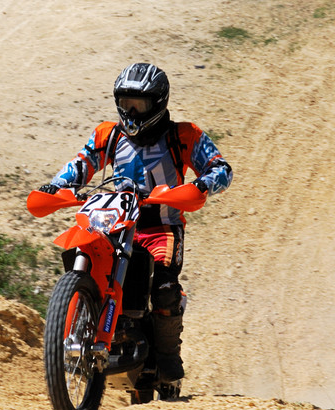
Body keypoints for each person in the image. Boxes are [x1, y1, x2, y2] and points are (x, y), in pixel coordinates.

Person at [37, 62, 233, 381]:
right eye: (126, 103)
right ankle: (84, 317)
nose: (130, 111)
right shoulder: (108, 134)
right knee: (84, 253)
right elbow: (81, 163)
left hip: (161, 227)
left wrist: (202, 184)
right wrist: (57, 184)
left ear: (157, 103)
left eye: (138, 105)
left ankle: (168, 355)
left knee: (165, 288)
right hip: (114, 221)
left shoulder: (184, 135)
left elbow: (221, 168)